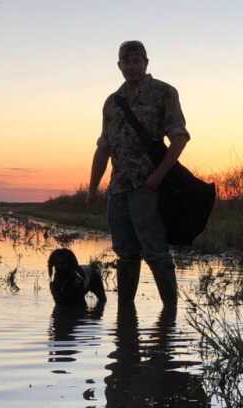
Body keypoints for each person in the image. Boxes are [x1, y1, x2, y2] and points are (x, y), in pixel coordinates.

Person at [88, 40, 190, 310]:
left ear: (146, 62)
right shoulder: (112, 102)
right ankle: (126, 316)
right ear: (119, 65)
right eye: (127, 61)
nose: (132, 66)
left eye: (137, 60)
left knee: (155, 251)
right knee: (125, 253)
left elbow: (179, 138)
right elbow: (103, 147)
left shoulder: (164, 92)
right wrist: (92, 189)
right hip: (118, 188)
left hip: (148, 187)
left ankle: (170, 315)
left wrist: (157, 177)